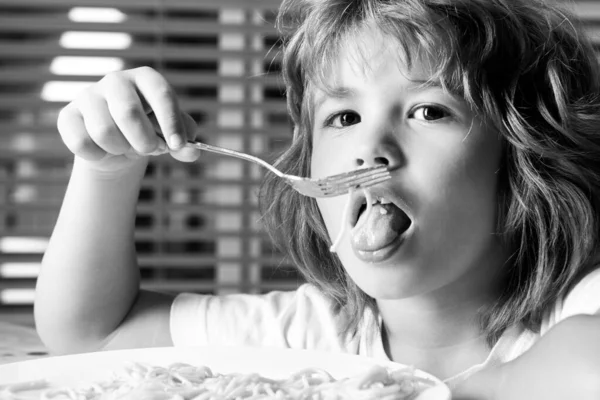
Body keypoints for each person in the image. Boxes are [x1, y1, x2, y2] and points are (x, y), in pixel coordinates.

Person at [35, 0, 600, 398]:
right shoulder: (309, 339)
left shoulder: (575, 306)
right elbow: (93, 334)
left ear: (527, 161)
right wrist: (106, 170)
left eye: (429, 111)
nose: (368, 148)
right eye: (343, 117)